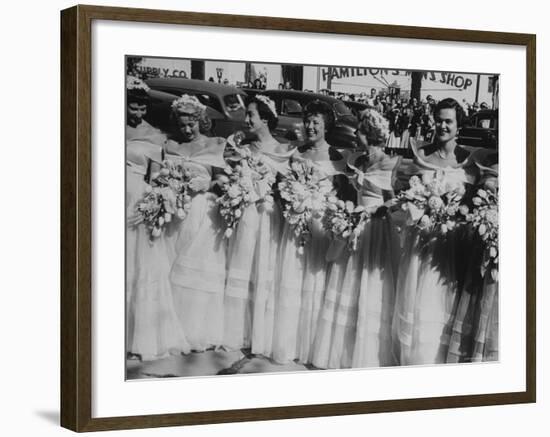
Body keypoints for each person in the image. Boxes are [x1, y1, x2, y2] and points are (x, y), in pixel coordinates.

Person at [312, 108, 401, 369]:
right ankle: (344, 347)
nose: (356, 135)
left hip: (376, 229)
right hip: (355, 227)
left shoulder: (390, 163)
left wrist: (375, 210)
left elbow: (394, 201)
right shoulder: (357, 161)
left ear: (371, 134)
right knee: (349, 281)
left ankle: (368, 352)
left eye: (361, 131)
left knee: (371, 284)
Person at [392, 97, 478, 365]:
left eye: (448, 121)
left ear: (458, 125)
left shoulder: (468, 160)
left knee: (442, 296)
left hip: (450, 242)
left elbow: (470, 203)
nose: (442, 125)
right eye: (439, 120)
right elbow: (405, 193)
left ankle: (439, 357)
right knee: (417, 294)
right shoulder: (422, 156)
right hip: (421, 239)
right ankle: (415, 357)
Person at [272, 100, 351, 364]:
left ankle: (309, 343)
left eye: (316, 121)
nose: (311, 126)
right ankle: (287, 341)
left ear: (326, 125)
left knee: (314, 281)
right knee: (292, 277)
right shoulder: (297, 153)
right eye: (308, 121)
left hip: (319, 226)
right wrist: (291, 201)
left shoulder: (336, 158)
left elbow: (342, 194)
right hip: (295, 223)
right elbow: (282, 186)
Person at [125, 76, 190, 361]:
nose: (137, 113)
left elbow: (156, 176)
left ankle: (139, 334)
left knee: (139, 261)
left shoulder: (153, 135)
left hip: (136, 200)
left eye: (141, 108)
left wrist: (154, 203)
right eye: (132, 106)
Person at [223, 95, 294, 356]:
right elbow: (232, 175)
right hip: (247, 214)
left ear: (265, 118)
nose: (246, 119)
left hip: (269, 215)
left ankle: (260, 333)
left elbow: (288, 187)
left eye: (251, 114)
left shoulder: (284, 150)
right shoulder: (245, 147)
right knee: (243, 265)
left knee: (264, 268)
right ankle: (237, 330)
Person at [165, 95, 228, 352]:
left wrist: (209, 184)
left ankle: (199, 330)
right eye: (182, 125)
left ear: (201, 120)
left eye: (191, 124)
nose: (187, 129)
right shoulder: (171, 145)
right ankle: (175, 328)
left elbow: (224, 180)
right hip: (177, 212)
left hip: (204, 212)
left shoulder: (215, 144)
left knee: (200, 269)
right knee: (174, 264)